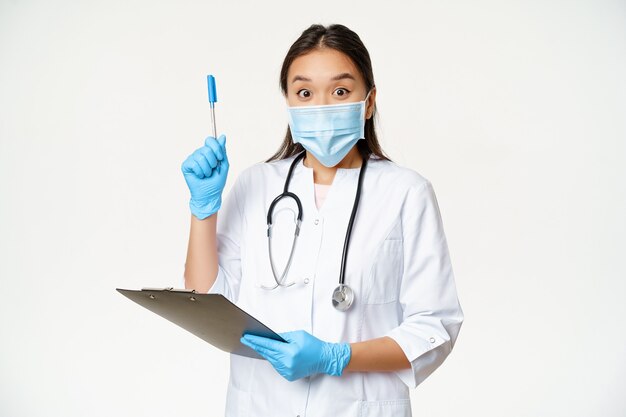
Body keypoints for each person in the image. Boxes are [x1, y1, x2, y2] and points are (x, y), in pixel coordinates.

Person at [181, 23, 463, 417]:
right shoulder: (257, 184)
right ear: (289, 102)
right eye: (305, 92)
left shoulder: (406, 192)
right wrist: (203, 210)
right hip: (259, 405)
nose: (322, 106)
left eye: (341, 91)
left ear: (368, 102)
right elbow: (206, 297)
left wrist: (336, 357)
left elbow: (435, 328)